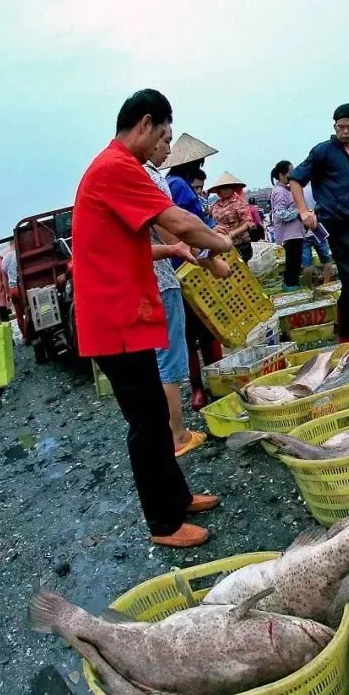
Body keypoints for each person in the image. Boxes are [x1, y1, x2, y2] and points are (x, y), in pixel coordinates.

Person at [71, 88, 233, 548]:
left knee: (156, 414)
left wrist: (192, 247)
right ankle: (163, 524)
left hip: (123, 312)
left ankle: (177, 498)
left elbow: (147, 239)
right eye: (162, 135)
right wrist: (218, 244)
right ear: (145, 124)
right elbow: (178, 220)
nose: (163, 146)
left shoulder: (114, 168)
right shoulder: (117, 167)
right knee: (145, 421)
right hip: (114, 318)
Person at [145, 126, 229, 457]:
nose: (167, 149)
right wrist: (211, 257)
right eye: (164, 142)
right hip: (165, 277)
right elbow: (176, 230)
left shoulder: (151, 177)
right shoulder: (158, 179)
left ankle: (174, 427)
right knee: (172, 355)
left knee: (165, 353)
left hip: (153, 275)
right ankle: (177, 434)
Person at [290, 103, 349, 342]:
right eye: (341, 126)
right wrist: (303, 211)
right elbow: (296, 180)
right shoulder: (323, 151)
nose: (345, 131)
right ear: (335, 126)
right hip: (337, 225)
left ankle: (346, 336)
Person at [164, 134, 224, 410]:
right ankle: (200, 387)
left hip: (194, 262)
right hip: (188, 266)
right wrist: (209, 254)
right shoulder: (177, 186)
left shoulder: (182, 185)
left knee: (204, 329)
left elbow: (200, 221)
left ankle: (211, 383)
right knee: (196, 331)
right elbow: (183, 226)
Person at [270, 160, 305, 290]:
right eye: (291, 172)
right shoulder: (279, 191)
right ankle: (291, 288)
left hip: (295, 233)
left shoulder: (287, 189)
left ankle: (292, 286)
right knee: (292, 264)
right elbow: (280, 213)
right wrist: (299, 211)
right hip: (289, 234)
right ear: (281, 174)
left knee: (295, 263)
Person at [208, 172, 254, 263]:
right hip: (222, 243)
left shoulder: (239, 202)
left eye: (228, 187)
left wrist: (232, 234)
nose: (225, 190)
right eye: (222, 188)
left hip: (240, 243)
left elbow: (249, 222)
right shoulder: (216, 205)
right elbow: (209, 219)